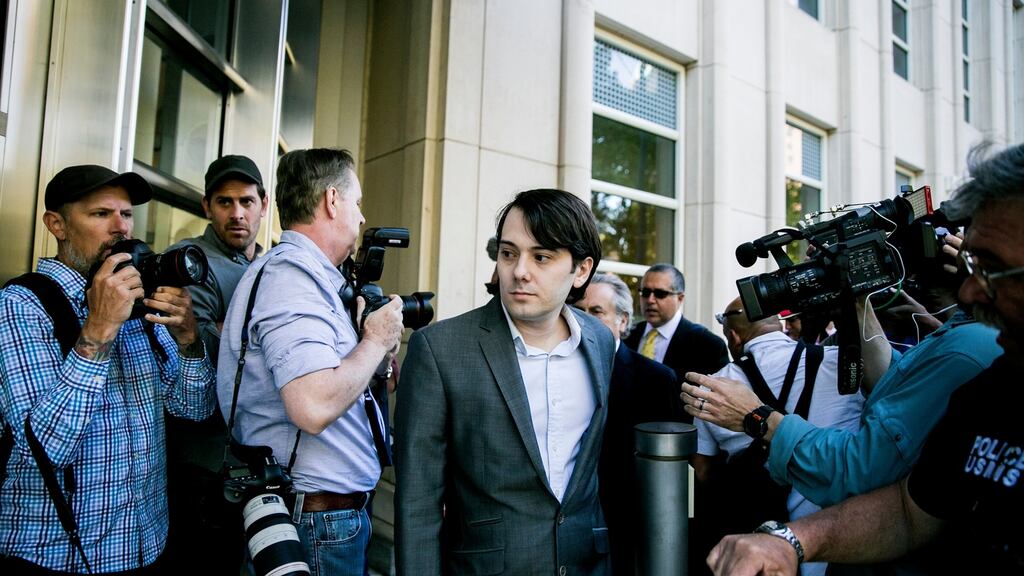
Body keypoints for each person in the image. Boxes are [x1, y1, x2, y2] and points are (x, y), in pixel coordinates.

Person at [701, 142, 1022, 575]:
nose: (970, 290)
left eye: (990, 268)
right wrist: (792, 542)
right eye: (971, 262)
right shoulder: (995, 382)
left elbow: (864, 468)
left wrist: (758, 419)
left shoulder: (970, 352)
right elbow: (911, 507)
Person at [0, 164, 215, 573]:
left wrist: (189, 340)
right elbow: (45, 451)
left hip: (145, 543)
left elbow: (194, 409)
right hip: (55, 555)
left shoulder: (139, 302)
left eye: (127, 214)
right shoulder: (21, 306)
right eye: (101, 214)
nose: (121, 228)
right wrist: (98, 328)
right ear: (57, 224)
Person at [394, 189, 615, 575]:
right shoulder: (440, 349)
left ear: (581, 270)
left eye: (541, 256)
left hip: (587, 563)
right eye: (509, 253)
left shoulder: (599, 341)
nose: (519, 271)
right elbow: (417, 503)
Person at [218, 148, 404, 575]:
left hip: (323, 517)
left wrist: (371, 359)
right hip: (315, 523)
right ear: (332, 200)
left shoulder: (308, 277)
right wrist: (375, 341)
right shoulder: (292, 278)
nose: (360, 218)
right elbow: (313, 406)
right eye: (356, 203)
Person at [692, 297, 864, 576]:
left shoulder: (713, 388)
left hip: (761, 551)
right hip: (844, 543)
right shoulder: (838, 365)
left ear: (734, 336)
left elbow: (703, 473)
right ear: (780, 326)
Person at [163, 155, 267, 572]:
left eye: (246, 201)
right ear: (207, 206)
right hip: (202, 460)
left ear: (264, 203)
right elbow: (187, 348)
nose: (237, 213)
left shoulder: (274, 261)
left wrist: (229, 327)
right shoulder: (186, 260)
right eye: (225, 202)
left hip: (256, 458)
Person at [573, 272, 680, 575]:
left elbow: (666, 471)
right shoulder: (553, 370)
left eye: (596, 311)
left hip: (627, 530)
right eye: (579, 310)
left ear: (622, 320)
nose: (584, 319)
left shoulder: (656, 380)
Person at [622, 263, 729, 417]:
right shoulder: (627, 335)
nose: (650, 300)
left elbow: (717, 405)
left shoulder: (707, 345)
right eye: (645, 292)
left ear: (680, 298)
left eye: (660, 293)